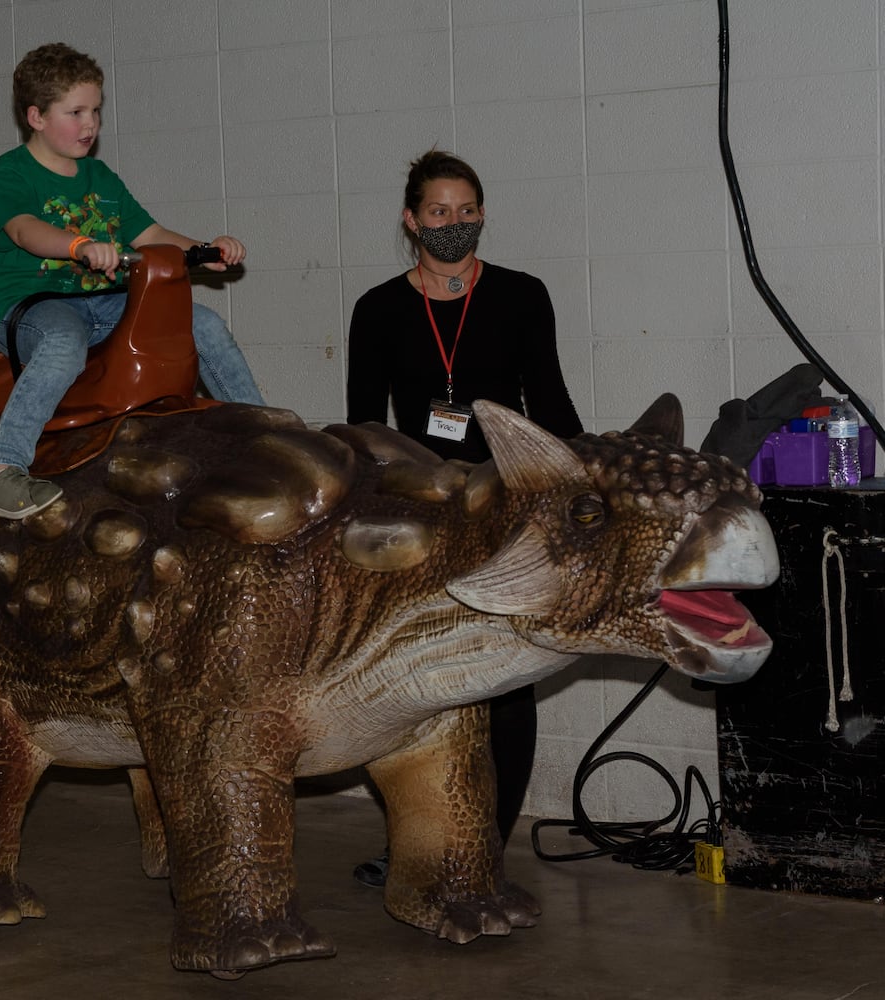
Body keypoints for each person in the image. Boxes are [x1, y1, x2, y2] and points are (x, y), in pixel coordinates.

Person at [344, 148, 583, 886]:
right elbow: (362, 427)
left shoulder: (521, 295)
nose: (455, 223)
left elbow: (551, 404)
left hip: (506, 513)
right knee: (416, 688)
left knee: (506, 684)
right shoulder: (378, 309)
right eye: (439, 212)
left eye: (467, 209)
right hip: (422, 522)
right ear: (411, 220)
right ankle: (417, 842)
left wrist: (582, 486)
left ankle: (487, 844)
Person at [0, 42, 265, 520]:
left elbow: (148, 234)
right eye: (76, 112)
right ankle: (2, 469)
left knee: (202, 323)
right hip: (33, 304)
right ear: (36, 117)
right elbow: (25, 230)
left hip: (104, 303)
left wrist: (203, 251)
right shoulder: (9, 173)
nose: (91, 124)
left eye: (96, 111)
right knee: (63, 339)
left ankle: (263, 435)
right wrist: (78, 246)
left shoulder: (101, 178)